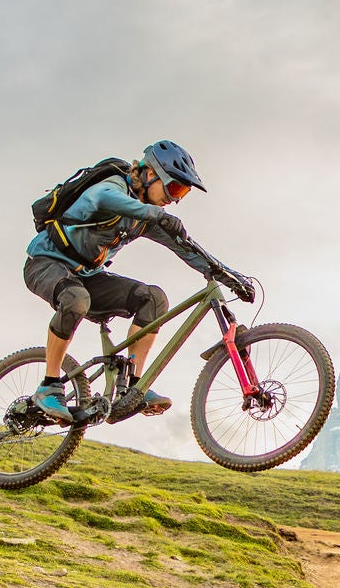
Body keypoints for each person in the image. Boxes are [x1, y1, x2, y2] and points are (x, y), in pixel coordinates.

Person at [23, 141, 250, 424]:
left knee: (153, 298)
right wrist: (157, 215)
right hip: (46, 263)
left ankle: (133, 388)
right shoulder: (113, 185)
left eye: (182, 193)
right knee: (75, 300)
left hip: (87, 276)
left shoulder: (146, 218)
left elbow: (189, 251)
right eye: (174, 188)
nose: (174, 199)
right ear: (150, 173)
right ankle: (49, 385)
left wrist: (231, 278)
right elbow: (104, 199)